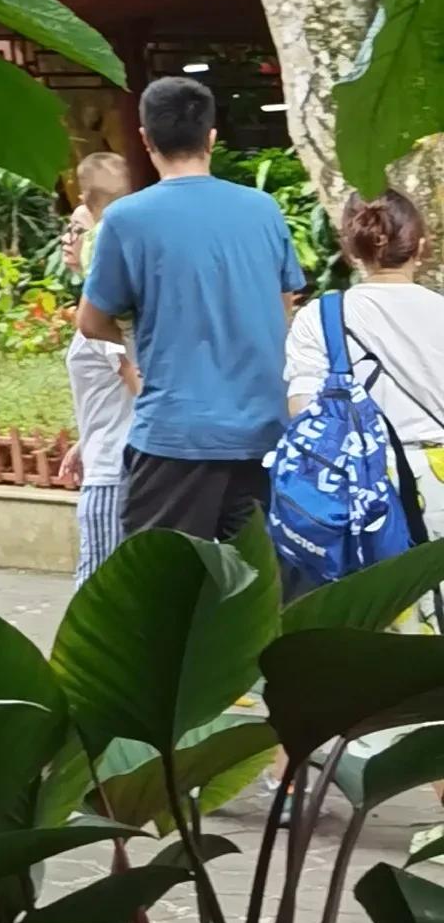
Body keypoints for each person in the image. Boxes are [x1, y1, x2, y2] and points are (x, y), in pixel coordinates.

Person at [74, 75, 303, 541]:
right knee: (260, 597)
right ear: (211, 137)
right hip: (266, 434)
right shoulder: (263, 209)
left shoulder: (126, 219)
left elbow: (91, 322)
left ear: (145, 138)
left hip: (175, 438)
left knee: (164, 598)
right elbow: (285, 310)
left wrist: (134, 353)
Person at [286, 193, 444, 469]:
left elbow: (303, 407)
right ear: (420, 248)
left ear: (351, 252)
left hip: (361, 479)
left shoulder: (320, 316)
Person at [61, 147, 142, 582]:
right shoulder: (125, 306)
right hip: (114, 455)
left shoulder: (105, 318)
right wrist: (85, 437)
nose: (67, 241)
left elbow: (139, 387)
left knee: (98, 591)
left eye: (76, 230)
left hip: (115, 473)